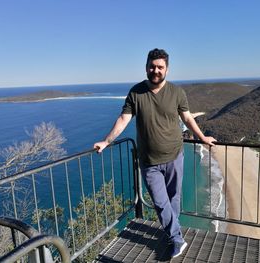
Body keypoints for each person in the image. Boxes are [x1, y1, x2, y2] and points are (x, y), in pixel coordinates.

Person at [93, 48, 216, 258]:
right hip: (149, 161)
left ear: (167, 69)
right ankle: (177, 239)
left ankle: (171, 232)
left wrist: (202, 137)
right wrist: (106, 141)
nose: (155, 70)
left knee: (174, 199)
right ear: (146, 67)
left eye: (160, 67)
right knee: (160, 202)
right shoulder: (136, 92)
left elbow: (187, 118)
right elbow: (123, 120)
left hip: (175, 156)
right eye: (152, 66)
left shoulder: (177, 92)